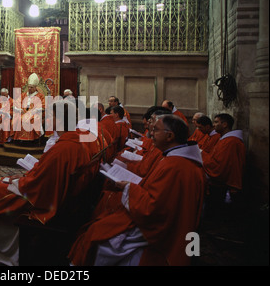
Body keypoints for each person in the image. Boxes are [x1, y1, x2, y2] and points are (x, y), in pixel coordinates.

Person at [0, 100, 99, 266]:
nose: (49, 121)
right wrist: (35, 170)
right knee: (0, 183)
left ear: (60, 120)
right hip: (59, 196)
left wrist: (21, 181)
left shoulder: (62, 148)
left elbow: (39, 185)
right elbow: (50, 173)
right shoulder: (78, 141)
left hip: (42, 201)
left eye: (52, 117)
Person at [68, 114, 205, 266]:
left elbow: (153, 209)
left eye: (156, 130)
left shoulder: (175, 166)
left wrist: (128, 187)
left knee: (99, 237)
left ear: (170, 136)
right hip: (170, 223)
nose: (151, 133)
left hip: (159, 231)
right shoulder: (177, 160)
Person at [202, 113, 246, 216]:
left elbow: (220, 166)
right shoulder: (225, 139)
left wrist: (201, 155)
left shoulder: (230, 142)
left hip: (225, 185)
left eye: (216, 122)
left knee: (220, 214)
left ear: (225, 124)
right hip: (223, 183)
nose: (213, 125)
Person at [11, 73, 45, 144]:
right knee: (18, 119)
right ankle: (20, 139)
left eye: (31, 87)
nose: (29, 89)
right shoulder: (23, 95)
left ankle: (32, 139)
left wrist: (35, 110)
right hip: (23, 113)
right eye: (29, 87)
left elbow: (43, 106)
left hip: (34, 113)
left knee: (31, 119)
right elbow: (16, 103)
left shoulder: (40, 96)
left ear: (35, 87)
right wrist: (19, 109)